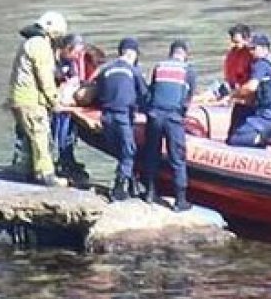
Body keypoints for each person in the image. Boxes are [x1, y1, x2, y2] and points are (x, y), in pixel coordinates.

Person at [7, 11, 71, 187]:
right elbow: (44, 78)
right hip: (30, 100)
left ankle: (26, 170)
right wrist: (54, 101)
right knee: (40, 135)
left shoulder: (29, 43)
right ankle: (46, 175)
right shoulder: (40, 46)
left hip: (19, 98)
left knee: (29, 137)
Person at [140, 40, 197, 211]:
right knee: (177, 159)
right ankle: (180, 201)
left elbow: (152, 91)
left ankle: (150, 193)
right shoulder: (188, 70)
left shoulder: (159, 67)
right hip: (173, 118)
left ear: (170, 53)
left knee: (151, 154)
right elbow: (187, 99)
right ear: (185, 54)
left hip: (154, 116)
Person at [96, 37, 148, 201]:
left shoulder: (105, 70)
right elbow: (145, 96)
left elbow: (99, 94)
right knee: (128, 152)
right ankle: (119, 188)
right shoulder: (134, 71)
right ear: (133, 54)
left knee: (119, 152)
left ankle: (131, 184)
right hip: (123, 117)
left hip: (106, 117)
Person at [225, 33, 271, 152]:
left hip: (269, 115)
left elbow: (251, 87)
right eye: (249, 48)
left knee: (234, 139)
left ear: (264, 49)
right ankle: (267, 137)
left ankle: (269, 137)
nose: (250, 52)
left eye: (254, 48)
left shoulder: (261, 64)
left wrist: (232, 95)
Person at [52, 33, 90, 181]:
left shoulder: (71, 62)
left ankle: (67, 157)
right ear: (67, 48)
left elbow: (74, 78)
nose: (78, 57)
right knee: (57, 129)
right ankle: (57, 160)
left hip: (67, 103)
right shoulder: (52, 60)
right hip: (53, 103)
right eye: (76, 53)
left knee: (69, 130)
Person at [223, 24, 254, 136]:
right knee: (231, 136)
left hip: (252, 100)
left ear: (247, 39)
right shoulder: (232, 55)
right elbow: (229, 78)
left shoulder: (252, 55)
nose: (234, 45)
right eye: (233, 41)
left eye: (237, 42)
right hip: (238, 98)